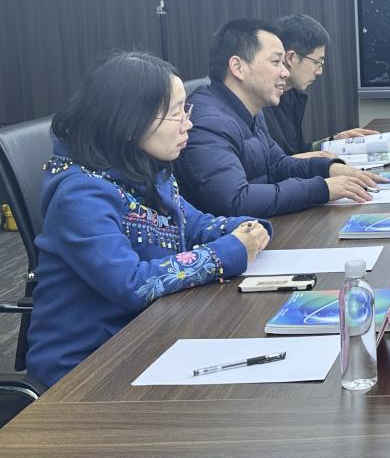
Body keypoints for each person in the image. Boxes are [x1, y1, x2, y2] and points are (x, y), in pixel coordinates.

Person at [26, 52, 271, 387]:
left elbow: (195, 225)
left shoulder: (147, 170)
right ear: (130, 123)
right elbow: (132, 284)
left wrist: (245, 229)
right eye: (175, 114)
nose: (188, 124)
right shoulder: (80, 195)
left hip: (149, 337)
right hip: (86, 370)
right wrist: (228, 252)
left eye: (186, 110)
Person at [175, 19, 382, 218]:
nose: (285, 72)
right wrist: (321, 188)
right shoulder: (207, 123)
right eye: (276, 62)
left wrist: (328, 168)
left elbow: (278, 165)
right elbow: (236, 201)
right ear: (238, 67)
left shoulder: (252, 111)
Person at [263, 14, 377, 158]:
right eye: (317, 62)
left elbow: (297, 152)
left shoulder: (292, 95)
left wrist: (334, 141)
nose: (319, 71)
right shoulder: (261, 102)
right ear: (291, 58)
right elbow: (275, 164)